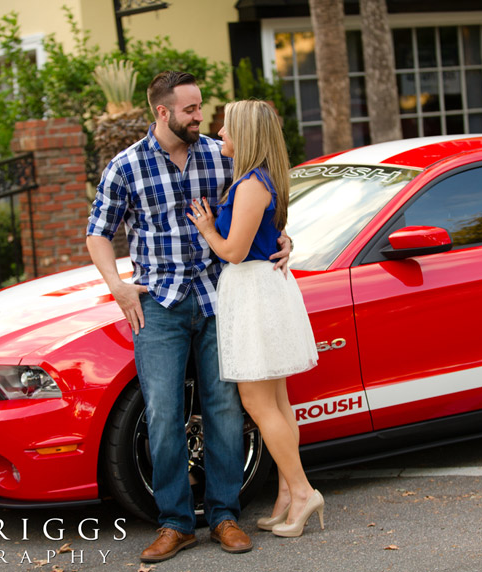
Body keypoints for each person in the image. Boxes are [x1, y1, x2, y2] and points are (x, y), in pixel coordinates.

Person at [86, 72, 291, 563]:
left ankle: (224, 516)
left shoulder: (218, 158)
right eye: (191, 109)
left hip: (219, 299)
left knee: (224, 409)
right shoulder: (126, 166)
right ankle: (175, 523)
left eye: (201, 107)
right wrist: (116, 285)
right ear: (163, 112)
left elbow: (258, 205)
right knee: (162, 414)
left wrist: (284, 240)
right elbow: (98, 231)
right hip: (157, 305)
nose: (201, 117)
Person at [187, 99, 323, 538]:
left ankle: (302, 492)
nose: (220, 134)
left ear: (245, 135)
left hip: (253, 292)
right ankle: (287, 494)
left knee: (258, 403)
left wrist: (208, 228)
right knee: (279, 402)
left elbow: (233, 251)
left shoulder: (250, 184)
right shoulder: (261, 179)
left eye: (226, 128)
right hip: (261, 290)